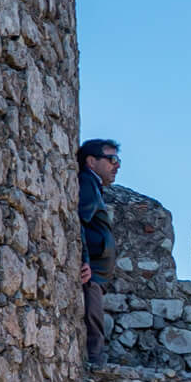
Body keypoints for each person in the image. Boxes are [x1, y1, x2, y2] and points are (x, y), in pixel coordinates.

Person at [78, 138, 121, 365]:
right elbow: (80, 222)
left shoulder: (94, 186)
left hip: (96, 270)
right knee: (93, 317)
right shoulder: (87, 182)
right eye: (111, 159)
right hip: (92, 270)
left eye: (118, 160)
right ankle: (95, 364)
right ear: (92, 161)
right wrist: (84, 260)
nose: (117, 165)